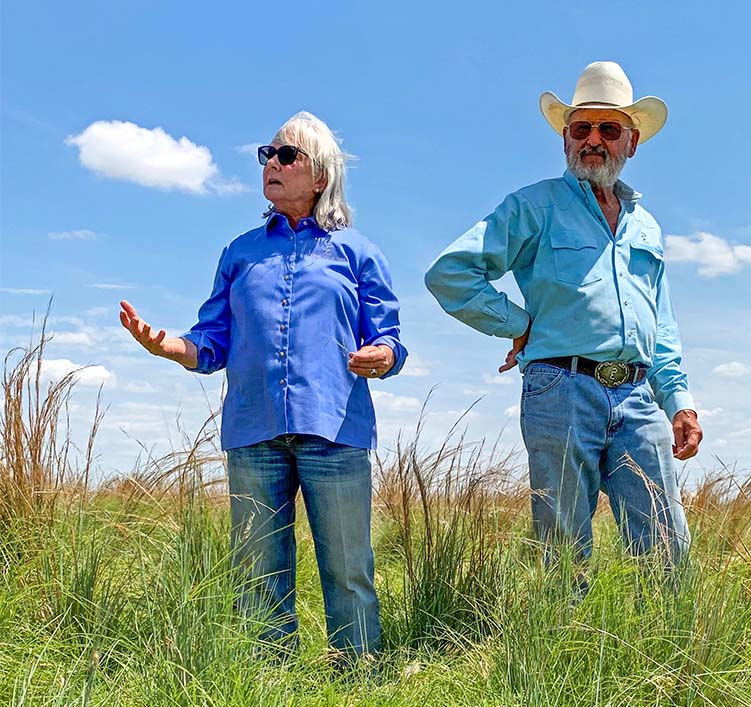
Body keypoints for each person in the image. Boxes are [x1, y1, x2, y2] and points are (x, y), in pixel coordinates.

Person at [119, 111, 406, 660]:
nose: (272, 164)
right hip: (254, 431)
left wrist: (384, 354)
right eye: (267, 155)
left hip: (336, 428)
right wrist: (167, 346)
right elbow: (210, 339)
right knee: (256, 576)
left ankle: (361, 681)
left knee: (349, 569)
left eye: (287, 156)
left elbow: (390, 336)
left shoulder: (359, 252)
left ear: (319, 176)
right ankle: (270, 683)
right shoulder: (239, 252)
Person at [425, 62, 702, 566]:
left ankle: (666, 646)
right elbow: (451, 272)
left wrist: (678, 401)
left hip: (640, 396)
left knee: (667, 547)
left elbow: (660, 323)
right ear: (566, 139)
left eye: (609, 129)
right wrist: (519, 324)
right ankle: (557, 645)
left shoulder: (648, 227)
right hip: (561, 388)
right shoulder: (534, 206)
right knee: (562, 549)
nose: (593, 139)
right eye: (581, 128)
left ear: (631, 143)